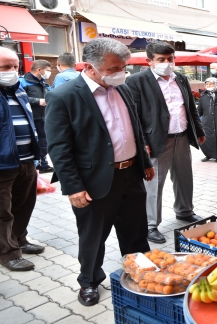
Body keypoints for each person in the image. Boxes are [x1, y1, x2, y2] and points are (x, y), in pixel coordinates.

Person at [45, 38, 154, 306]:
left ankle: (140, 271)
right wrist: (72, 187)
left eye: (123, 66)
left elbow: (134, 128)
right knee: (94, 236)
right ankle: (89, 281)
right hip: (93, 182)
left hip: (131, 174)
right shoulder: (64, 96)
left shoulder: (123, 89)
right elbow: (59, 147)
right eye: (113, 68)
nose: (121, 72)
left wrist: (145, 162)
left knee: (135, 231)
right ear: (90, 67)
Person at [126, 42, 206, 244]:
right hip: (156, 141)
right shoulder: (137, 81)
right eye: (161, 60)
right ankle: (150, 225)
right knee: (154, 183)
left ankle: (185, 211)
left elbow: (190, 107)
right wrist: (142, 141)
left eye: (170, 59)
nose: (167, 63)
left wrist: (198, 130)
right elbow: (132, 115)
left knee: (184, 177)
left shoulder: (180, 78)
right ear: (149, 61)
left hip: (181, 136)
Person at [0, 47, 44, 272]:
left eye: (15, 66)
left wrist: (36, 160)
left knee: (24, 204)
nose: (12, 71)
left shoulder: (19, 91)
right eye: (5, 67)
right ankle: (8, 254)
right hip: (3, 165)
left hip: (26, 161)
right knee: (3, 212)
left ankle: (19, 239)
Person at [18, 60, 53, 173]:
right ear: (39, 70)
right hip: (30, 119)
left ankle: (42, 164)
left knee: (44, 143)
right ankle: (34, 165)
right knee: (33, 143)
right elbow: (19, 98)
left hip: (44, 118)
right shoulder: (22, 82)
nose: (50, 72)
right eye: (48, 70)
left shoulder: (43, 83)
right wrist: (37, 101)